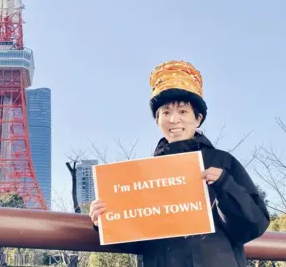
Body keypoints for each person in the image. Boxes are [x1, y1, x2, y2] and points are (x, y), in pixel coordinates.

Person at [89, 60, 270, 267]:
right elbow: (138, 242)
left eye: (183, 112)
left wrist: (224, 184)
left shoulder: (222, 162)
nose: (174, 120)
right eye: (165, 112)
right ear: (157, 121)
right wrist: (104, 220)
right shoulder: (142, 174)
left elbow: (254, 224)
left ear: (198, 119)